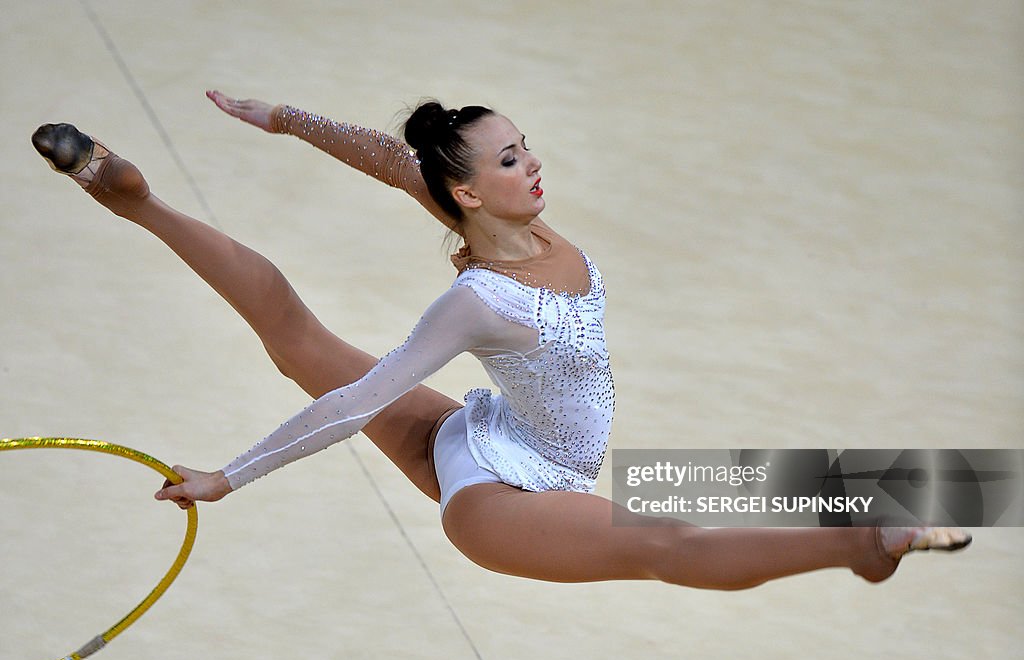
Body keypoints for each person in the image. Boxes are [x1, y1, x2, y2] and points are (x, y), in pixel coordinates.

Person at [31, 91, 970, 590]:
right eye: (511, 159)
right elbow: (356, 402)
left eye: (527, 145)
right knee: (668, 540)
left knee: (292, 333)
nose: (533, 165)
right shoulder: (480, 298)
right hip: (496, 499)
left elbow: (390, 156)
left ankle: (131, 194)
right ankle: (865, 540)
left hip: (507, 440)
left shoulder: (501, 219)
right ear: (472, 195)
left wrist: (283, 119)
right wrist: (224, 478)